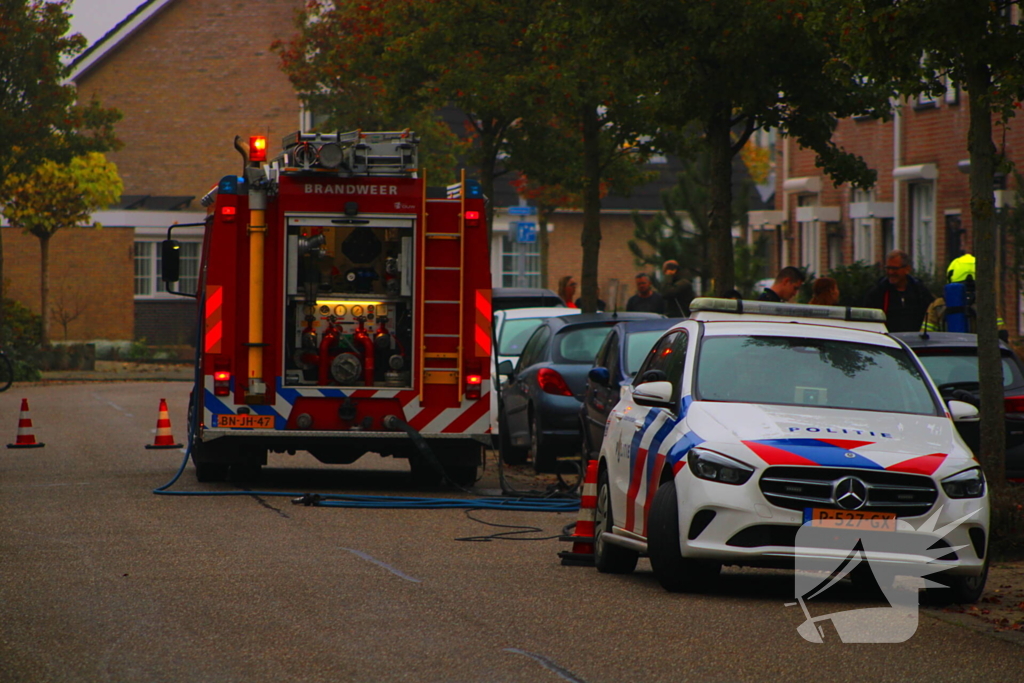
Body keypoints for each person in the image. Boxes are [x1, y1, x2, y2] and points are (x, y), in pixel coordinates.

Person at [864, 249, 934, 333]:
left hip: (915, 339)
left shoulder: (920, 292)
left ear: (907, 269)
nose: (890, 272)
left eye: (894, 268)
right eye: (888, 268)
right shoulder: (878, 293)